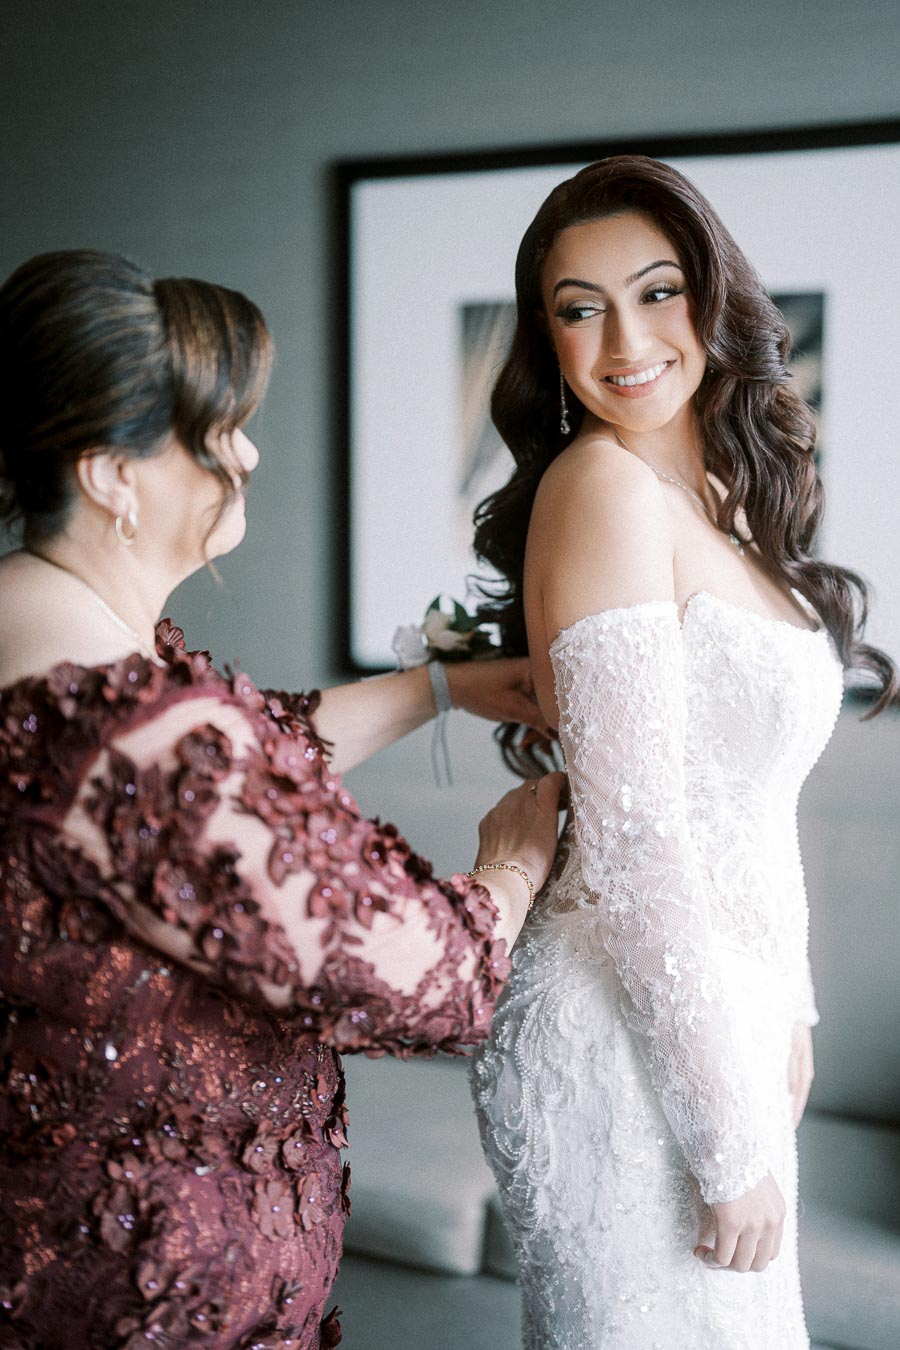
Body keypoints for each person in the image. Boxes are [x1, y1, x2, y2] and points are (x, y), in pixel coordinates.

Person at [0, 249, 565, 1350]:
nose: (247, 453)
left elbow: (226, 787)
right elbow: (429, 980)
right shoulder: (132, 732)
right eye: (215, 432)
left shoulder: (38, 627)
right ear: (114, 471)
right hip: (145, 1295)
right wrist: (514, 861)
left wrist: (431, 688)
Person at [468, 155, 897, 1349]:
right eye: (578, 307)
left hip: (717, 1021)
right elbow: (640, 840)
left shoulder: (721, 492)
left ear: (714, 300)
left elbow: (750, 811)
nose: (623, 341)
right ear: (544, 337)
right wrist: (729, 1138)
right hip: (620, 1041)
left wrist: (789, 1014)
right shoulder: (600, 487)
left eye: (656, 292)